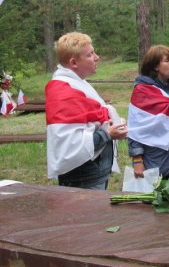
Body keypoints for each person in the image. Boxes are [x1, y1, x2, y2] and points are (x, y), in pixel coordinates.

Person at [45, 32, 128, 189]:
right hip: (83, 179)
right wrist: (108, 133)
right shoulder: (63, 91)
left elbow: (91, 120)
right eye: (90, 55)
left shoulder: (77, 83)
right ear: (74, 62)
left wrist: (113, 122)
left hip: (93, 173)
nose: (97, 57)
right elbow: (70, 145)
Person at [127, 45, 169, 179]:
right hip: (154, 159)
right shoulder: (143, 91)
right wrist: (137, 160)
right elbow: (135, 129)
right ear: (155, 66)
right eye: (167, 60)